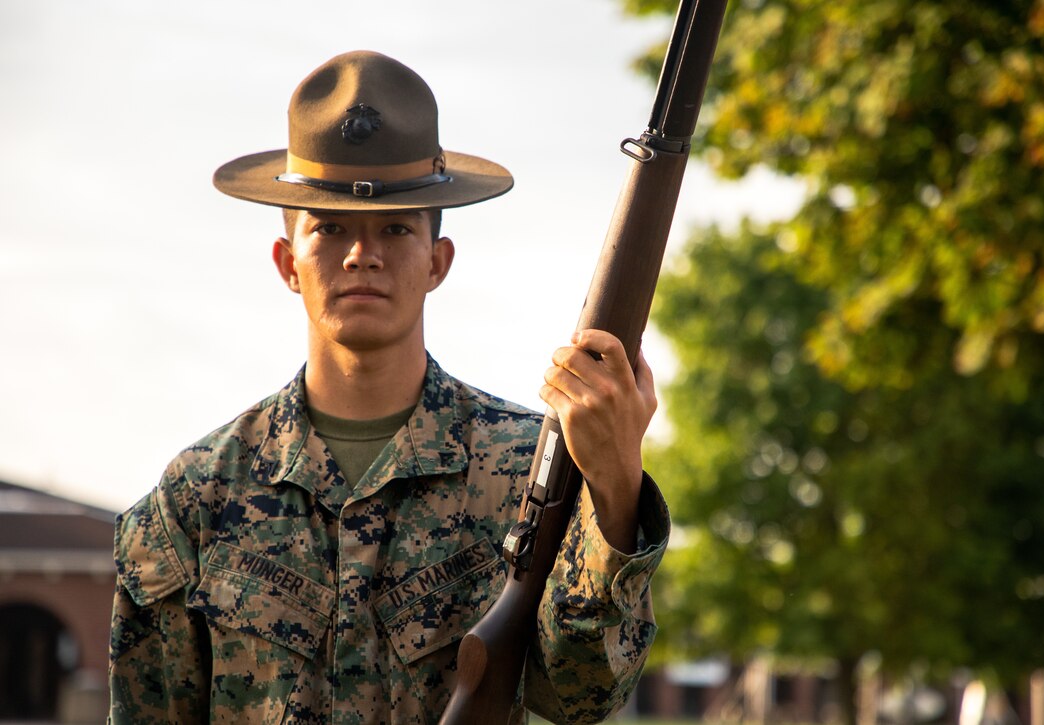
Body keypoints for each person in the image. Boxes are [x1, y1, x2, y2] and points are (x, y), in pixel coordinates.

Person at [108, 50, 669, 724]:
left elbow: (583, 691)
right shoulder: (198, 497)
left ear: (438, 261)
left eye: (396, 227)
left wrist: (615, 486)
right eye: (330, 227)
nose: (361, 253)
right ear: (289, 262)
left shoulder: (528, 471)